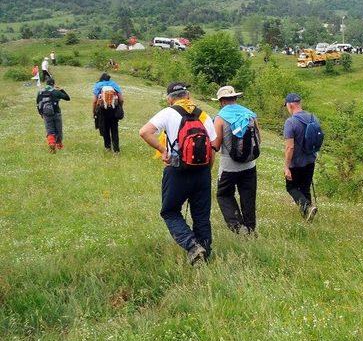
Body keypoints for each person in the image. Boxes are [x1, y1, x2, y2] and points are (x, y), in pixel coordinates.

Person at [139, 82, 216, 265]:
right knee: (201, 216)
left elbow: (144, 132)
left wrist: (162, 150)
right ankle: (205, 255)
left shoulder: (168, 112)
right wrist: (206, 172)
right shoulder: (203, 115)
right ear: (188, 95)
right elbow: (212, 148)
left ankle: (192, 246)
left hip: (176, 169)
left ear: (170, 99)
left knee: (170, 211)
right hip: (203, 171)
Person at [212, 86, 260, 235]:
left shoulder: (220, 118)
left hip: (228, 167)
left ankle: (238, 228)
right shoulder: (250, 115)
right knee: (248, 196)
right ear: (235, 98)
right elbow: (259, 139)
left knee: (224, 194)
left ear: (221, 101)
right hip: (250, 165)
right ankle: (250, 230)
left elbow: (216, 144)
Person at [283, 93, 319, 222]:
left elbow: (290, 147)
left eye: (286, 105)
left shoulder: (290, 122)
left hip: (296, 163)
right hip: (310, 160)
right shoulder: (312, 117)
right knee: (305, 188)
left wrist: (286, 167)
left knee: (291, 187)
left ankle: (306, 206)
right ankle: (308, 218)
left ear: (290, 104)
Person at [36, 78, 70, 153]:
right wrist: (61, 89)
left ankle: (51, 143)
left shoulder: (40, 92)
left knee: (49, 130)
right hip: (56, 113)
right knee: (58, 130)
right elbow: (67, 98)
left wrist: (41, 113)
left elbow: (38, 104)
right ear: (53, 84)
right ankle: (59, 145)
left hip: (46, 114)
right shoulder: (56, 92)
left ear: (46, 84)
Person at [93, 73, 124, 152]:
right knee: (114, 129)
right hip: (114, 110)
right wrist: (120, 107)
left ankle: (108, 147)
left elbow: (94, 101)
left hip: (102, 111)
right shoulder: (114, 84)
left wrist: (94, 111)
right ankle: (116, 150)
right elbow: (121, 99)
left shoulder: (98, 85)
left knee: (105, 128)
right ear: (109, 78)